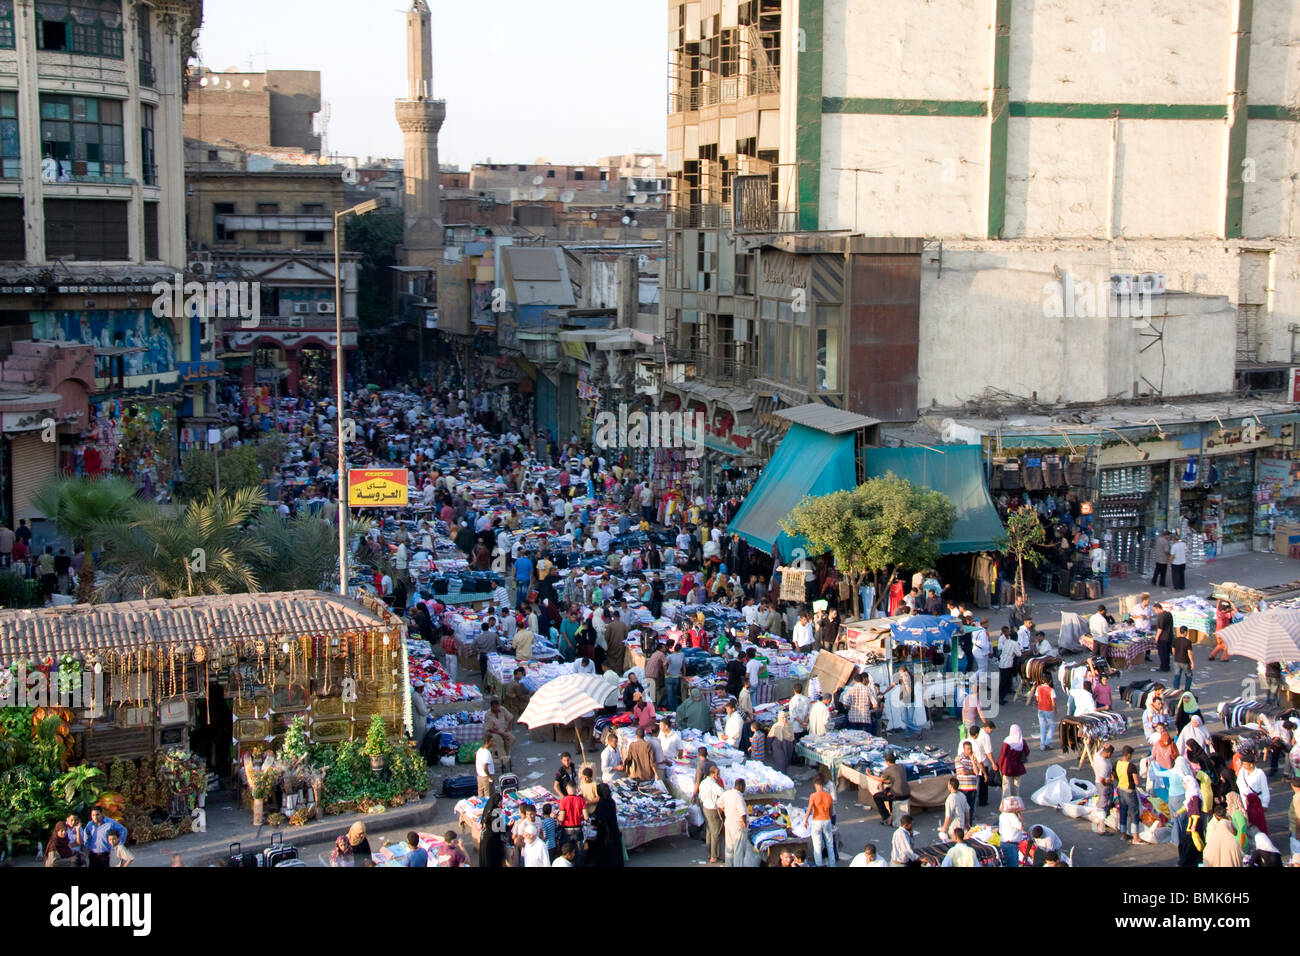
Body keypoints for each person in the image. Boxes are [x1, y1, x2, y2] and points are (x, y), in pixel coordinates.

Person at [874, 750, 911, 826]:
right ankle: (892, 812)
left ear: (887, 761)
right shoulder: (901, 766)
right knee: (889, 791)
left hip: (897, 795)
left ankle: (887, 817)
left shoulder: (888, 769)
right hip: (907, 793)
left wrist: (869, 774)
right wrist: (885, 781)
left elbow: (880, 779)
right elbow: (892, 779)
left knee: (877, 797)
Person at [699, 763, 726, 864]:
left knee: (709, 830)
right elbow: (723, 794)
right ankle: (714, 856)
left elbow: (701, 797)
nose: (718, 776)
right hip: (713, 809)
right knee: (716, 833)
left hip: (705, 808)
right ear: (713, 774)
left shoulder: (703, 783)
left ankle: (709, 852)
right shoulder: (714, 785)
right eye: (717, 774)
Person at [1115, 745, 1143, 843]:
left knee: (1123, 811)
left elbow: (1113, 777)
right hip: (1129, 791)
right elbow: (1137, 782)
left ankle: (1123, 834)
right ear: (1128, 755)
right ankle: (1135, 836)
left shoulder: (1117, 764)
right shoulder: (1131, 766)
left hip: (1120, 789)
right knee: (1134, 813)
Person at [807, 775, 835, 867]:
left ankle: (818, 865)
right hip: (827, 820)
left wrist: (806, 820)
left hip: (817, 821)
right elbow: (831, 811)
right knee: (830, 845)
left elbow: (810, 809)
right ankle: (832, 864)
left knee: (817, 846)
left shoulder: (813, 796)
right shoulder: (829, 796)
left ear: (815, 784)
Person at [721, 777, 749, 867]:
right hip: (737, 824)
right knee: (738, 849)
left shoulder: (727, 793)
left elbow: (719, 804)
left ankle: (728, 865)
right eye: (744, 786)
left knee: (729, 848)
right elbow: (742, 813)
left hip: (728, 822)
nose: (744, 788)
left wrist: (725, 814)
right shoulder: (738, 797)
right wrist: (744, 824)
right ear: (740, 786)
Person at [482, 698, 516, 769]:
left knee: (511, 739)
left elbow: (511, 718)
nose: (497, 709)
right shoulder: (488, 715)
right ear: (491, 707)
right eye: (495, 707)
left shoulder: (502, 709)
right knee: (499, 742)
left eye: (497, 707)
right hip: (492, 732)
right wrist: (502, 734)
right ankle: (504, 762)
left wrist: (508, 728)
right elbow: (490, 729)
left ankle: (505, 756)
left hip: (503, 730)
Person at [996, 725, 1028, 796]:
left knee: (1006, 785)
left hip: (1007, 767)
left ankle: (1006, 802)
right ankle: (1016, 801)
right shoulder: (1022, 741)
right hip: (1018, 766)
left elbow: (1002, 754)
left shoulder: (1007, 741)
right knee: (1016, 785)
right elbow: (1027, 751)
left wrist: (999, 765)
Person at [1092, 743, 1116, 836]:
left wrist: (1104, 746)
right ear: (1109, 753)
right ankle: (1101, 828)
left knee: (1102, 803)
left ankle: (1099, 824)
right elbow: (1102, 780)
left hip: (1097, 782)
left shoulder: (1097, 756)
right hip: (1103, 785)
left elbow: (1101, 750)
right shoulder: (1104, 765)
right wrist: (1109, 781)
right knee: (1104, 805)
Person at [479, 791, 507, 868]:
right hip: (491, 841)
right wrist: (509, 826)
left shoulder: (487, 810)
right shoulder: (494, 814)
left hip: (485, 839)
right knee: (491, 861)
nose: (501, 804)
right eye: (500, 802)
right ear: (496, 802)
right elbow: (498, 829)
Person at [939, 777, 970, 842]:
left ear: (950, 786)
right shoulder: (962, 795)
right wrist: (967, 823)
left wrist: (944, 828)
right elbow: (967, 811)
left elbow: (948, 816)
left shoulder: (950, 798)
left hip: (953, 828)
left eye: (948, 784)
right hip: (961, 826)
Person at [1035, 676, 1057, 750]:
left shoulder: (1038, 688)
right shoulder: (1051, 690)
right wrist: (1055, 710)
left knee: (1042, 726)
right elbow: (1053, 703)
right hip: (1048, 709)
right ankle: (1048, 741)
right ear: (1050, 681)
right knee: (1052, 725)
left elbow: (1037, 698)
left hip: (1040, 708)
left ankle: (1042, 745)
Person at [1171, 626, 1195, 692]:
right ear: (1185, 632)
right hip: (1185, 661)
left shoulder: (1175, 639)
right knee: (1188, 676)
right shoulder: (1188, 642)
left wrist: (1175, 655)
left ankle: (1176, 690)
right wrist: (1192, 662)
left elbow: (1173, 649)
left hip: (1176, 661)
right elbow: (1189, 652)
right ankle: (1187, 690)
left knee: (1177, 676)